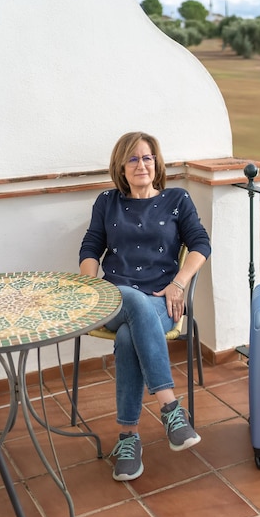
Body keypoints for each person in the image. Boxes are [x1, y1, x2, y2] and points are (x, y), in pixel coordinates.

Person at [79, 131, 211, 482]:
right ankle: (170, 409)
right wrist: (91, 285)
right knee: (131, 299)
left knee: (126, 338)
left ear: (157, 163)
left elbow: (200, 244)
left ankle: (128, 438)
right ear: (122, 166)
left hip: (160, 302)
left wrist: (179, 283)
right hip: (113, 300)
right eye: (134, 158)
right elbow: (91, 247)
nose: (142, 164)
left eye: (148, 157)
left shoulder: (177, 200)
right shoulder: (107, 202)